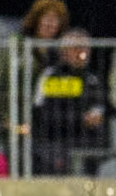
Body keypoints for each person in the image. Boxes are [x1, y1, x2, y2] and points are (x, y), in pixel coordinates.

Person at [30, 30, 110, 175]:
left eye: (85, 48)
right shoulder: (52, 77)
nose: (82, 53)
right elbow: (44, 115)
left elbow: (100, 110)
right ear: (64, 52)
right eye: (76, 48)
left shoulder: (92, 80)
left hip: (87, 149)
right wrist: (81, 120)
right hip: (54, 147)